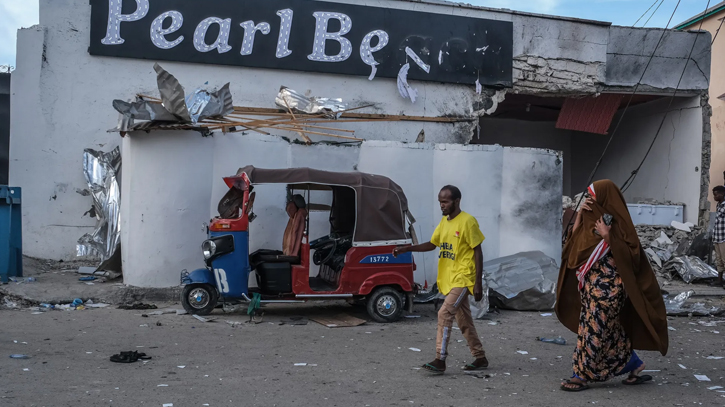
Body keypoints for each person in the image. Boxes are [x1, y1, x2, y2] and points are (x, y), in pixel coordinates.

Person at [556, 180, 668, 392]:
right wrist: (579, 216)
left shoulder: (619, 224)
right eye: (587, 197)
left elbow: (633, 256)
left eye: (592, 197)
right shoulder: (591, 221)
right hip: (590, 290)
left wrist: (609, 236)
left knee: (593, 332)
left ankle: (580, 375)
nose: (589, 201)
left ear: (605, 198)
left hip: (609, 291)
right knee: (609, 332)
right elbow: (573, 251)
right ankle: (634, 364)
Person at [393, 185, 488, 374]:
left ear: (457, 201)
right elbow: (432, 243)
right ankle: (480, 358)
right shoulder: (445, 222)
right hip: (450, 278)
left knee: (444, 313)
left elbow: (477, 250)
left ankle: (440, 359)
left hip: (463, 279)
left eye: (445, 201)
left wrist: (477, 283)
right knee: (464, 321)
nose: (442, 205)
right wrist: (407, 248)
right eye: (440, 202)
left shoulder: (468, 222)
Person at [711, 185, 725, 288]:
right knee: (719, 260)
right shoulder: (719, 205)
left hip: (723, 238)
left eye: (716, 195)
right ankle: (719, 280)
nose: (714, 197)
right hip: (717, 237)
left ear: (722, 194)